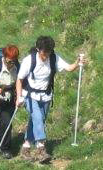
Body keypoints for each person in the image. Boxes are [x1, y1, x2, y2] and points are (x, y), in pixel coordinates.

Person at [15, 35, 84, 163]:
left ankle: (26, 147)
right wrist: (18, 98)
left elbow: (69, 68)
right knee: (37, 117)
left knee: (37, 120)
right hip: (30, 95)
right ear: (38, 49)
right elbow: (19, 80)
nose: (46, 56)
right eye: (44, 53)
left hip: (46, 96)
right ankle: (41, 149)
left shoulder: (53, 58)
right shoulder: (29, 60)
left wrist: (77, 63)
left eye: (48, 52)